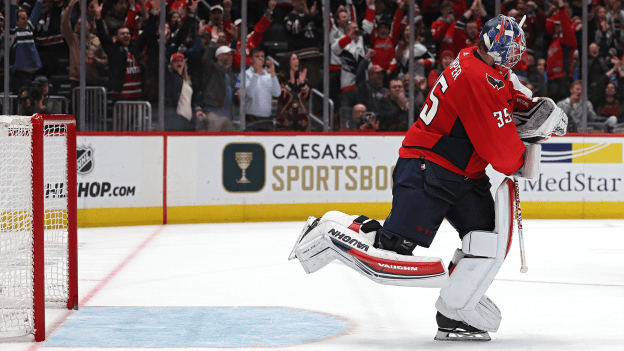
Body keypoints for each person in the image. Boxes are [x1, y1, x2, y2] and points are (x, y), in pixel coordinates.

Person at [290, 15, 551, 342]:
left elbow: (507, 88)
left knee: (487, 239)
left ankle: (455, 311)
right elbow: (502, 153)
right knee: (392, 250)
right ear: (493, 48)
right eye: (510, 49)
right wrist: (529, 142)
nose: (516, 56)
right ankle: (330, 227)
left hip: (464, 174)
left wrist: (533, 104)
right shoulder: (479, 79)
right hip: (431, 168)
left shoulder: (475, 59)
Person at [94, 0, 158, 101]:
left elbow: (147, 32)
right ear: (117, 37)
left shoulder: (135, 47)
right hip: (120, 99)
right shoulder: (113, 50)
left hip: (137, 98)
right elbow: (102, 36)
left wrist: (154, 12)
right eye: (122, 33)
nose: (125, 35)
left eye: (127, 33)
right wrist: (98, 17)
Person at [62, 0, 108, 95]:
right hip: (76, 80)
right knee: (75, 108)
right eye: (79, 23)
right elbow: (64, 23)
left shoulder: (97, 40)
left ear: (90, 26)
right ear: (76, 26)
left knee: (92, 109)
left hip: (91, 81)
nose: (81, 25)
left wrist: (96, 60)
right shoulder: (72, 38)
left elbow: (105, 61)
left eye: (84, 23)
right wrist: (70, 6)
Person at [199, 41, 236, 131]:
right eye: (227, 54)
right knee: (212, 142)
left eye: (231, 55)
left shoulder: (231, 75)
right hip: (214, 114)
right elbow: (206, 60)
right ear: (218, 56)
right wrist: (213, 42)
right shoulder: (213, 69)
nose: (230, 56)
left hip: (228, 115)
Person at [242, 48, 282, 131]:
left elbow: (277, 93)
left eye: (262, 56)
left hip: (267, 119)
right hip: (251, 119)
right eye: (257, 56)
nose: (260, 58)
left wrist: (273, 74)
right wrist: (255, 73)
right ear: (251, 59)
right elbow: (250, 94)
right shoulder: (246, 74)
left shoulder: (268, 74)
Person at [9, 0, 44, 94]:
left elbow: (36, 13)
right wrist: (12, 3)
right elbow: (12, 16)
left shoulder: (29, 27)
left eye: (26, 18)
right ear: (16, 22)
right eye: (23, 19)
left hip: (33, 74)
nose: (26, 21)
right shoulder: (13, 32)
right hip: (20, 75)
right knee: (21, 101)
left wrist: (39, 1)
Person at [277, 52, 310, 131]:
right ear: (288, 62)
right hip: (285, 117)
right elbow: (282, 96)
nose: (297, 61)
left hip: (301, 118)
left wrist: (302, 84)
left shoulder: (301, 78)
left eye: (297, 59)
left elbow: (306, 96)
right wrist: (290, 84)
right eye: (294, 59)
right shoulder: (281, 79)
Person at [164, 53, 198, 131]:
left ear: (184, 63)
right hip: (178, 119)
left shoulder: (188, 80)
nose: (179, 63)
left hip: (189, 119)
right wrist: (173, 116)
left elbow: (191, 99)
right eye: (175, 61)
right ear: (171, 64)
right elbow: (168, 99)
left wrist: (197, 109)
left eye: (181, 61)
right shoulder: (170, 77)